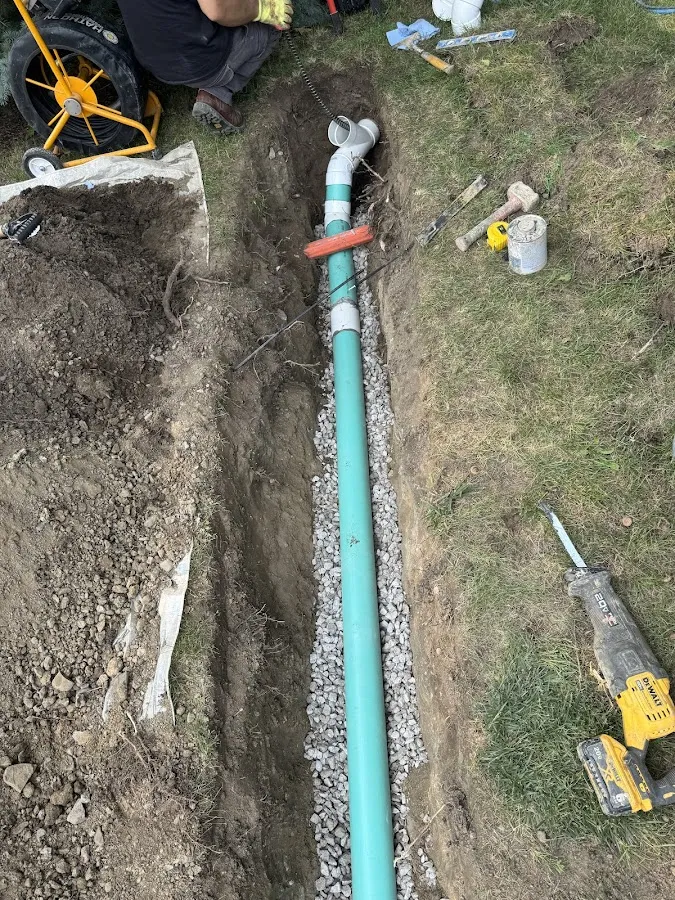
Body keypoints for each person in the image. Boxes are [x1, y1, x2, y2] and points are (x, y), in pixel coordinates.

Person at [115, 0, 293, 135]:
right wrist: (261, 9)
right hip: (198, 62)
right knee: (266, 28)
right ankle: (218, 93)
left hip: (155, 63)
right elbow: (217, 10)